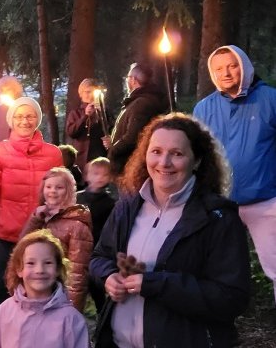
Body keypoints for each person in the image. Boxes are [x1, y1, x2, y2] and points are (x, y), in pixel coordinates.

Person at [90, 113, 251, 347]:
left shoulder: (217, 218)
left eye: (177, 154)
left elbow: (231, 298)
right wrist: (107, 276)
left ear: (196, 161)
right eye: (156, 151)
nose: (163, 163)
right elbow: (99, 256)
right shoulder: (127, 207)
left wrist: (158, 284)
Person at [193, 45, 276, 303]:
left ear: (245, 67)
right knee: (215, 265)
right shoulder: (204, 108)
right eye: (219, 69)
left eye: (232, 66)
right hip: (221, 203)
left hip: (266, 200)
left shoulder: (270, 100)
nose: (226, 73)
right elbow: (196, 153)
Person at [0, 96, 63, 324]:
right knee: (2, 301)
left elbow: (60, 191)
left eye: (31, 115)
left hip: (40, 240)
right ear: (11, 121)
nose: (25, 120)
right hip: (5, 238)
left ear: (38, 120)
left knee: (41, 301)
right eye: (19, 116)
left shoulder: (53, 154)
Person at [0, 229, 89, 348]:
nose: (39, 270)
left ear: (58, 269)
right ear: (19, 269)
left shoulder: (72, 320)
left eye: (48, 263)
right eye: (31, 263)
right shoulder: (5, 310)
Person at [20, 167, 93, 312]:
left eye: (59, 187)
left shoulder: (77, 225)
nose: (52, 191)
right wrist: (35, 220)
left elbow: (77, 274)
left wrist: (72, 309)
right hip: (38, 290)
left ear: (69, 191)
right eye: (48, 186)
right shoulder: (42, 216)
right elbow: (22, 247)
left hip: (60, 298)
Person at [103, 63, 168, 177]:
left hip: (129, 167)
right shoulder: (139, 101)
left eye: (128, 78)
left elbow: (132, 137)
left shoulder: (141, 104)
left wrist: (113, 150)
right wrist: (113, 140)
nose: (127, 81)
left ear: (133, 80)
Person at [76, 157, 116, 313]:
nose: (99, 177)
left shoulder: (110, 203)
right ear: (87, 176)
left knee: (97, 290)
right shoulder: (77, 198)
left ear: (110, 177)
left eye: (104, 174)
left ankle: (102, 320)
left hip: (96, 251)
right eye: (96, 173)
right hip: (76, 250)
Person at [66, 78, 107, 169]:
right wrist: (85, 116)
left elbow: (109, 131)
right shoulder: (75, 113)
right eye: (87, 92)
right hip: (81, 159)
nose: (90, 95)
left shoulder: (104, 112)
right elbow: (71, 132)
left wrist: (102, 114)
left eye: (92, 92)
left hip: (99, 157)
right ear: (81, 94)